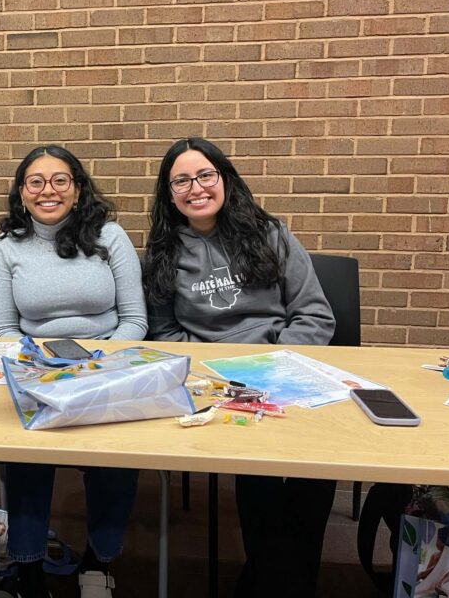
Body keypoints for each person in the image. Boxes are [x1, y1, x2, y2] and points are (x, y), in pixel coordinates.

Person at [142, 137, 336, 598]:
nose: (196, 188)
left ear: (224, 178)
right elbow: (164, 333)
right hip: (218, 383)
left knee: (322, 465)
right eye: (181, 180)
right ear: (170, 195)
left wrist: (273, 367)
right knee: (259, 466)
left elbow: (314, 315)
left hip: (282, 367)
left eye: (205, 175)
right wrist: (220, 372)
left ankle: (275, 577)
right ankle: (280, 581)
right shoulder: (163, 253)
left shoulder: (271, 234)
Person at [0, 145, 147, 598]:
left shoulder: (110, 236)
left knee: (115, 457)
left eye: (60, 180)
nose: (48, 190)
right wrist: (47, 371)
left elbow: (135, 320)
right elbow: (3, 329)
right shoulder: (6, 247)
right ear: (22, 193)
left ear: (77, 189)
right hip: (39, 371)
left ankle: (100, 560)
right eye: (35, 181)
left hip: (107, 369)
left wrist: (96, 366)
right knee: (25, 455)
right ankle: (28, 567)